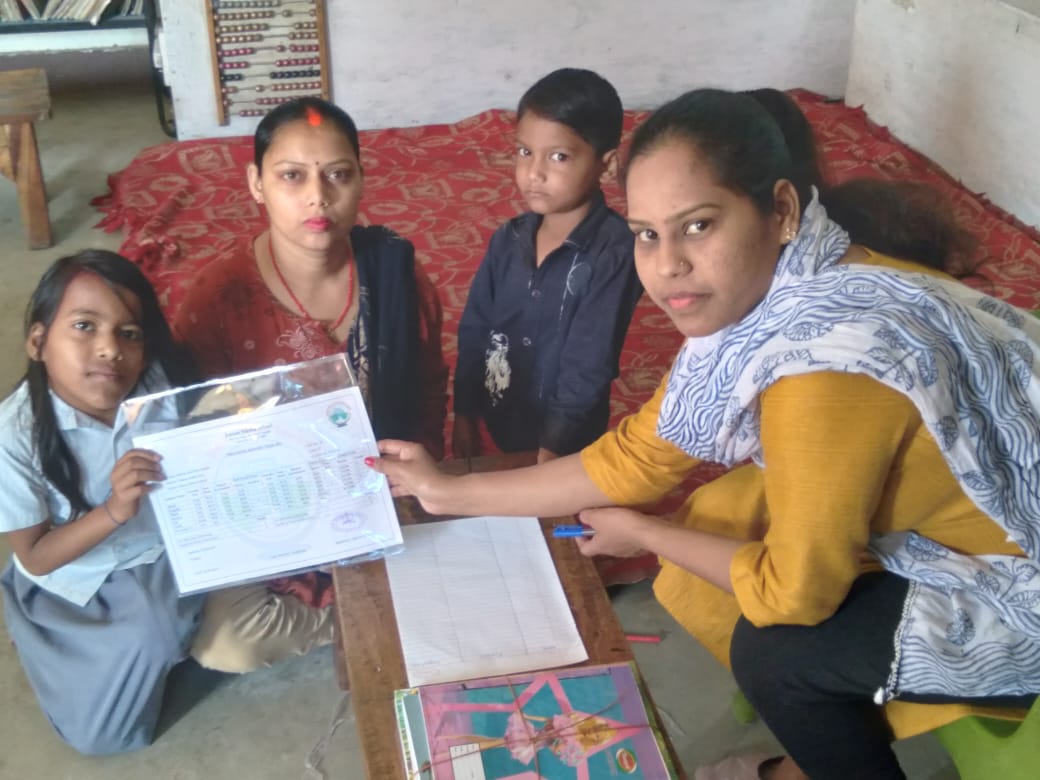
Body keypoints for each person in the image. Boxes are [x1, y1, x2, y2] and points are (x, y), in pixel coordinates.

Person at [367, 88, 1040, 780]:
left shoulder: (819, 370)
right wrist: (450, 492)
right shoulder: (803, 278)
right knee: (727, 511)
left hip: (1020, 583)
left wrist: (647, 534)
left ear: (781, 210)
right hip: (980, 511)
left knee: (776, 653)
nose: (668, 266)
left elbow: (793, 597)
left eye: (697, 226)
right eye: (646, 234)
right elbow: (635, 457)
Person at [173, 97, 448, 673]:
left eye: (338, 175)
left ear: (361, 179)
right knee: (225, 643)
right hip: (273, 508)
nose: (318, 197)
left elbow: (427, 391)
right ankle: (359, 614)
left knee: (494, 549)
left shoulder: (395, 276)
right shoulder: (218, 299)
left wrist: (417, 485)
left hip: (382, 490)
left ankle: (391, 589)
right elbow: (196, 444)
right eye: (292, 176)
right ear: (256, 184)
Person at [0, 250, 202, 754]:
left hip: (160, 551)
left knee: (165, 631)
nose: (110, 349)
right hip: (76, 573)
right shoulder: (13, 437)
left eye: (128, 334)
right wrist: (112, 511)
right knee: (102, 737)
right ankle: (38, 628)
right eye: (84, 326)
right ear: (38, 341)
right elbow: (36, 556)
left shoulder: (155, 384)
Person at [452, 67, 643, 464]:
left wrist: (553, 449)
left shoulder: (614, 252)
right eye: (525, 152)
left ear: (607, 165)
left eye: (559, 157)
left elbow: (589, 363)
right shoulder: (508, 240)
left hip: (566, 440)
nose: (534, 173)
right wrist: (465, 413)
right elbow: (475, 329)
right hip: (501, 413)